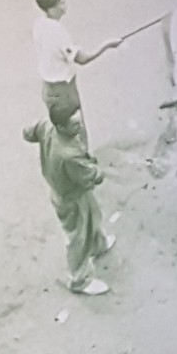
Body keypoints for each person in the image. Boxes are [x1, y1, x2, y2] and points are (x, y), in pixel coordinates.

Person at [23, 103, 116, 296]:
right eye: (75, 125)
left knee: (93, 217)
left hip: (63, 190)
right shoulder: (69, 155)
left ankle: (98, 245)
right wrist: (99, 171)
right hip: (72, 197)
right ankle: (79, 280)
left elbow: (28, 133)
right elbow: (91, 176)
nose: (79, 127)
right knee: (77, 237)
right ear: (62, 127)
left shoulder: (46, 125)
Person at [32, 0, 124, 142]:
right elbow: (83, 59)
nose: (64, 5)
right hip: (64, 90)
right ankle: (84, 164)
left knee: (62, 130)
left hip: (48, 88)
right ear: (51, 9)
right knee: (76, 131)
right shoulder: (57, 32)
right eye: (61, 3)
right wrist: (107, 45)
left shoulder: (39, 24)